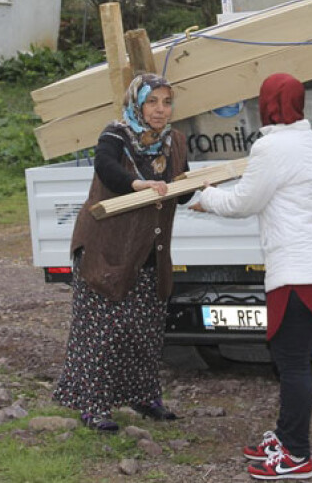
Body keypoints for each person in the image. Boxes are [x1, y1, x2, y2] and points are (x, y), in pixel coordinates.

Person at [191, 73, 312, 480]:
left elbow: (245, 202)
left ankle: (297, 455)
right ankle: (284, 435)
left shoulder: (270, 146)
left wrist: (205, 196)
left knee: (291, 361)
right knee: (290, 356)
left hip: (299, 269)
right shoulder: (311, 142)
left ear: (267, 104)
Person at [53, 73, 190, 432]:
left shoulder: (175, 142)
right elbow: (107, 169)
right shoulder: (116, 134)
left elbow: (181, 188)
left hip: (149, 251)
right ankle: (93, 406)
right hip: (107, 249)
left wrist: (195, 187)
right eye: (152, 102)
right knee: (103, 332)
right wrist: (138, 185)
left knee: (144, 330)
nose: (160, 110)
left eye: (166, 102)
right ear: (137, 104)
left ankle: (144, 398)